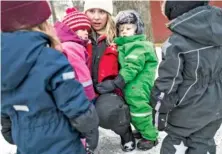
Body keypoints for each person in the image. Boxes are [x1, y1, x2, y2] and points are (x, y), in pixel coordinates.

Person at [1, 1, 99, 154]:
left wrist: (7, 127)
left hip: (26, 143)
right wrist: (89, 125)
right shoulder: (50, 58)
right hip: (61, 141)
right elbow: (72, 99)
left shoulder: (4, 62)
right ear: (42, 24)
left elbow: (5, 102)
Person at [151, 1, 222, 154]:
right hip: (216, 106)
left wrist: (159, 110)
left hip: (186, 110)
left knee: (176, 143)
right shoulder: (219, 31)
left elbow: (168, 84)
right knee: (203, 142)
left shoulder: (175, 44)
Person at [96, 10, 159, 151]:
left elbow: (132, 67)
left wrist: (115, 83)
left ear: (137, 30)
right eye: (121, 29)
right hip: (132, 85)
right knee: (134, 110)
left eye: (128, 28)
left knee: (140, 110)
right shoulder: (127, 45)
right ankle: (143, 130)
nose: (124, 32)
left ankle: (150, 136)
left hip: (139, 85)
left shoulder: (139, 45)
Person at [84, 0, 136, 152]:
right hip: (84, 89)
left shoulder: (118, 37)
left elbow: (131, 65)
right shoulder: (78, 37)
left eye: (102, 12)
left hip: (109, 90)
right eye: (92, 11)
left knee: (109, 112)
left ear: (108, 15)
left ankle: (125, 133)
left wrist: (115, 83)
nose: (96, 17)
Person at [54, 7, 96, 102]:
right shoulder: (73, 47)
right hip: (82, 94)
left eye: (87, 30)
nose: (86, 32)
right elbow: (81, 71)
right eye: (82, 29)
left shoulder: (65, 44)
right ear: (72, 30)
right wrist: (90, 94)